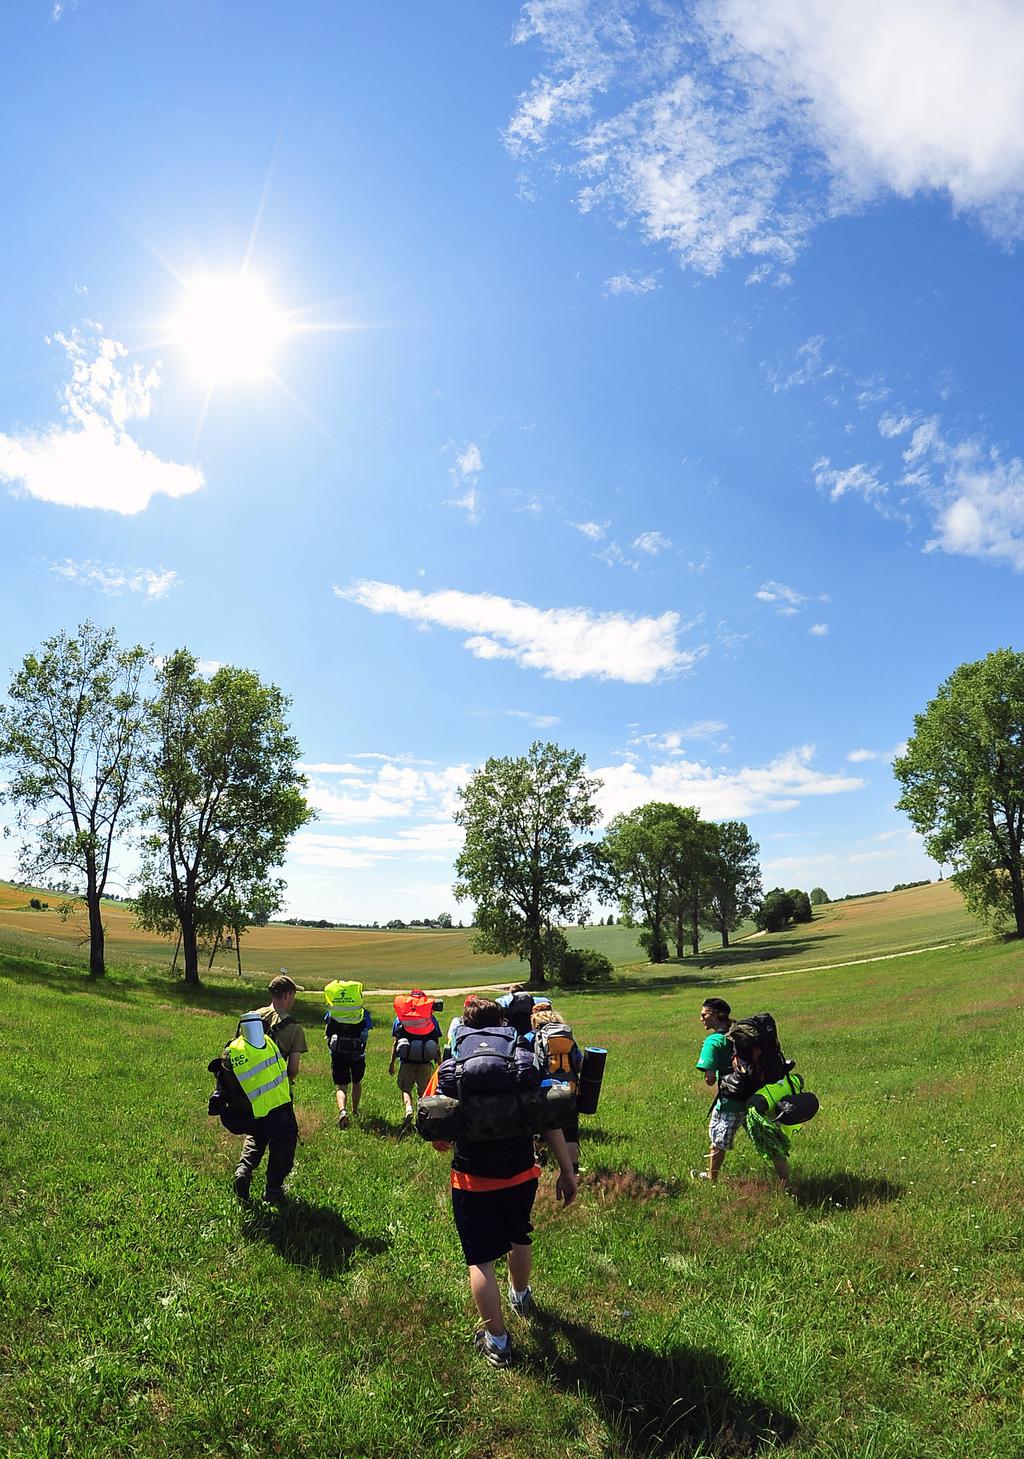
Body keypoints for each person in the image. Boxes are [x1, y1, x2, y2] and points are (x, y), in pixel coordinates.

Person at [427, 995, 577, 1368]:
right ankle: (521, 1295)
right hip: (522, 1172)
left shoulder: (452, 1064)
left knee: (480, 1260)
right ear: (503, 1024)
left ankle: (496, 1340)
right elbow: (549, 1119)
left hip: (472, 1177)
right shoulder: (523, 1059)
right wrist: (567, 1170)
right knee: (518, 1234)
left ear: (465, 1026)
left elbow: (438, 1136)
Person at [230, 1011, 298, 1205]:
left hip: (252, 1112)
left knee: (255, 1139)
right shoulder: (268, 1044)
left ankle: (243, 1170)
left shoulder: (233, 1050)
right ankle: (273, 1192)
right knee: (282, 1150)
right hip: (278, 1108)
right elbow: (288, 1071)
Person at [692, 997, 745, 1183]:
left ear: (715, 1015)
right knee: (767, 1143)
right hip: (756, 1096)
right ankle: (785, 1181)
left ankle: (712, 1178)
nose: (701, 1019)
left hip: (731, 1100)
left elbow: (709, 1079)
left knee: (718, 1141)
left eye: (704, 1015)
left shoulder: (713, 1041)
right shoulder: (739, 1033)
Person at [529, 1005, 583, 1173]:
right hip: (571, 1090)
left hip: (547, 1091)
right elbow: (579, 1064)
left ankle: (540, 1162)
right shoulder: (568, 1036)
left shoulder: (533, 1037)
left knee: (541, 1128)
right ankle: (573, 1170)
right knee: (571, 1131)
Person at [390, 989, 442, 1130]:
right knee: (424, 1091)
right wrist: (440, 1064)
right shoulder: (431, 1019)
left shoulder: (400, 1018)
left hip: (406, 1061)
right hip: (425, 1062)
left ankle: (408, 1108)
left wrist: (392, 1063)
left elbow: (396, 1042)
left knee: (406, 1088)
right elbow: (436, 1044)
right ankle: (422, 1118)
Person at [324, 979, 372, 1130]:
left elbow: (327, 1032)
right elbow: (366, 1032)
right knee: (356, 1082)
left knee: (341, 1086)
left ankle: (342, 1111)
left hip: (337, 1054)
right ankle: (355, 1110)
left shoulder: (332, 1013)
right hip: (357, 1054)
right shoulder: (363, 1015)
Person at [253, 972, 308, 1101]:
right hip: (276, 1088)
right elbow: (293, 1070)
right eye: (293, 994)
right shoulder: (295, 1028)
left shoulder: (254, 1015)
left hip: (250, 1084)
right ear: (286, 995)